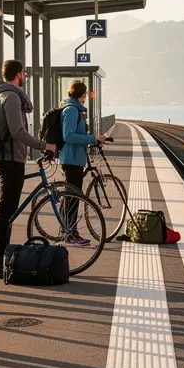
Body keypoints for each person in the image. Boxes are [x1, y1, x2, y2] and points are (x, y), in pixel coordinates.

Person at [0, 60, 57, 275]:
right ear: (19, 74)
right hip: (9, 162)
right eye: (24, 74)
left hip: (5, 159)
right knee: (5, 213)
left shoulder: (2, 94)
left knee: (5, 212)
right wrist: (43, 145)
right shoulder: (10, 97)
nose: (25, 77)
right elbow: (17, 131)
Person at [58, 80, 106, 246]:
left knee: (71, 197)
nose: (86, 96)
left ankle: (67, 231)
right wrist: (92, 138)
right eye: (85, 93)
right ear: (81, 94)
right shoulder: (72, 110)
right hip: (71, 160)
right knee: (73, 197)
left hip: (74, 159)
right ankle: (71, 234)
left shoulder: (75, 109)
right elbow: (68, 135)